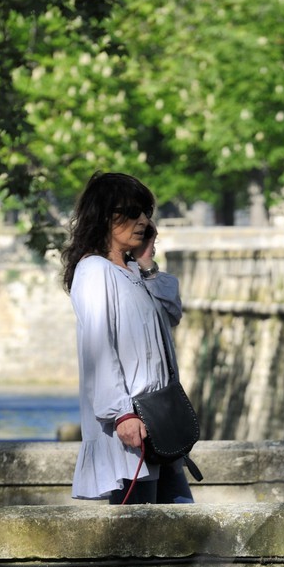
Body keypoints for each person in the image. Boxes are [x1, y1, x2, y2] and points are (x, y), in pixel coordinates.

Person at [62, 171, 194, 504]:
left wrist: (147, 263)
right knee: (141, 538)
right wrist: (121, 413)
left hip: (158, 423)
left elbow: (172, 313)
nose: (144, 221)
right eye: (133, 213)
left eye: (146, 213)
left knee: (174, 527)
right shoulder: (94, 271)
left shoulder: (132, 271)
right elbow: (99, 348)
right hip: (131, 429)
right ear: (106, 217)